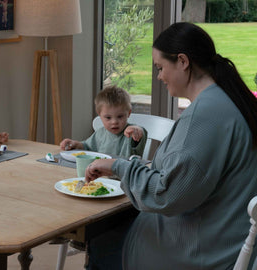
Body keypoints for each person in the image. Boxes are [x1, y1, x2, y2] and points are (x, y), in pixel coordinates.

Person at [84, 22, 257, 270]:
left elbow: (166, 195)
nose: (159, 76)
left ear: (183, 62)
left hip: (202, 251)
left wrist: (119, 167)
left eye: (161, 67)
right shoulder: (228, 98)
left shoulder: (206, 115)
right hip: (227, 237)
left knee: (100, 239)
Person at [60, 85, 147, 159]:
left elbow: (141, 134)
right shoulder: (100, 134)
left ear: (128, 113)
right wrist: (75, 144)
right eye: (108, 117)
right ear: (100, 115)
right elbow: (87, 147)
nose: (114, 122)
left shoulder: (130, 133)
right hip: (101, 174)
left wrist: (137, 130)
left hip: (125, 176)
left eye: (120, 116)